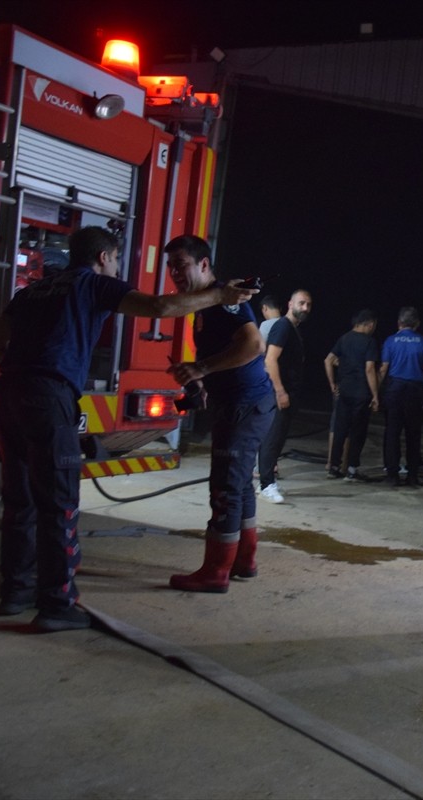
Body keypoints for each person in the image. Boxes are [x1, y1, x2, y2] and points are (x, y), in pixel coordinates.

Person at [0, 226, 259, 631]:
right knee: (58, 502)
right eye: (117, 260)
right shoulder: (94, 284)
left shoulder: (35, 290)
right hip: (48, 398)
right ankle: (56, 606)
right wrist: (219, 295)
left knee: (21, 499)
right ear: (105, 257)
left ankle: (15, 593)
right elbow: (159, 308)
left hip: (8, 395)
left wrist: (21, 371)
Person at [164, 234, 275, 593]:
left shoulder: (226, 300)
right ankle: (244, 561)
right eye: (170, 267)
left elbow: (254, 345)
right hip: (242, 403)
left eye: (181, 265)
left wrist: (202, 369)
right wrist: (203, 377)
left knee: (225, 487)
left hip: (245, 406)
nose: (174, 273)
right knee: (240, 484)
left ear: (204, 264)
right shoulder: (206, 304)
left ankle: (215, 573)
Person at [257, 289, 311, 503]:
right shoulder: (283, 327)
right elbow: (270, 360)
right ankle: (266, 485)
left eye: (308, 304)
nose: (305, 308)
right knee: (273, 438)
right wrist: (280, 391)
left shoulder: (293, 329)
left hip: (287, 392)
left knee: (275, 439)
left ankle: (266, 482)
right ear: (290, 303)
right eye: (301, 303)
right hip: (278, 392)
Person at [378, 306, 423, 486]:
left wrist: (376, 393)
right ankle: (412, 475)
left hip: (395, 389)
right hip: (415, 391)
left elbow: (383, 369)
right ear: (417, 324)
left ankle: (392, 475)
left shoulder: (390, 341)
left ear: (399, 323)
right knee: (413, 434)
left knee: (392, 433)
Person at [324, 309, 380, 481]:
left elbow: (327, 360)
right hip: (361, 393)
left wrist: (333, 384)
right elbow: (369, 369)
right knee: (358, 432)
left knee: (340, 429)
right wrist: (375, 395)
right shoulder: (369, 342)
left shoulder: (344, 338)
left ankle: (334, 466)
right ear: (370, 324)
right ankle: (352, 470)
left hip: (344, 391)